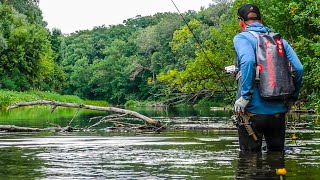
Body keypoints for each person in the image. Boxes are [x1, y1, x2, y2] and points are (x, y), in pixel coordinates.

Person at [233, 4, 304, 152]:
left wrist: (245, 96)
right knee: (277, 160)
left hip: (252, 113)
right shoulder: (279, 40)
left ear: (241, 21)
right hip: (278, 112)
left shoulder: (242, 38)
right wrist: (292, 98)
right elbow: (299, 68)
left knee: (248, 163)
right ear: (261, 20)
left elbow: (248, 61)